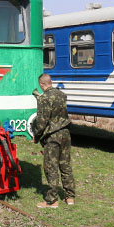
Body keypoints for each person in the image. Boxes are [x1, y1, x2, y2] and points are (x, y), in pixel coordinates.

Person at [31, 73, 74, 209]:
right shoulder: (62, 95)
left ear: (42, 85)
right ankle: (70, 197)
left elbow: (42, 122)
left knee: (51, 167)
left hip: (52, 136)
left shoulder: (44, 98)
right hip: (65, 133)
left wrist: (36, 135)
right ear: (51, 82)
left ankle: (52, 200)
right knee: (65, 165)